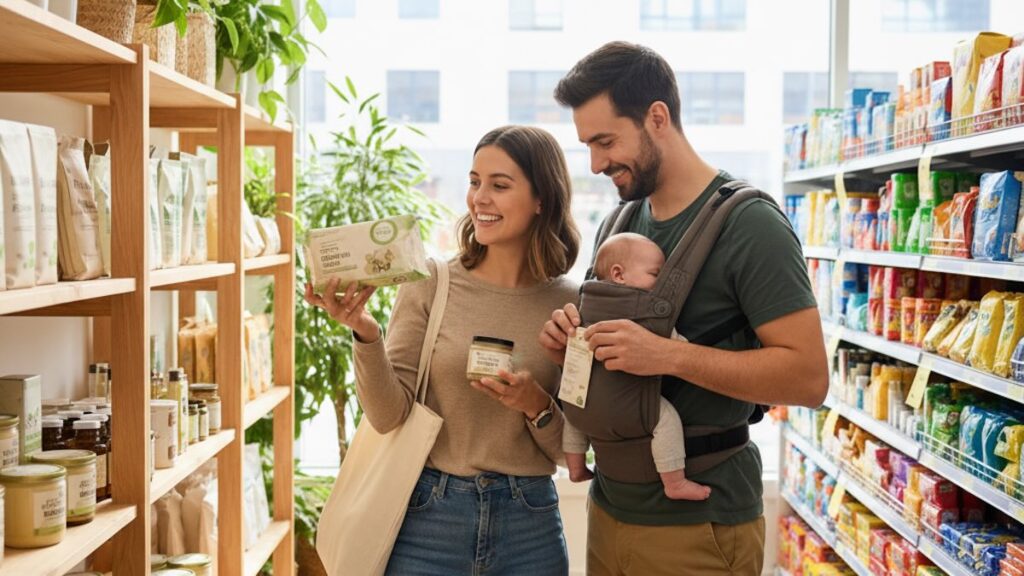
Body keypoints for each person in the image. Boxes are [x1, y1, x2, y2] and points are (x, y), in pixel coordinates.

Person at [540, 41, 829, 576]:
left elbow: (809, 379)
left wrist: (669, 356)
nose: (596, 164)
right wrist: (572, 344)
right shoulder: (619, 225)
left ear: (657, 117)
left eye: (605, 141)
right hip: (609, 510)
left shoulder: (751, 226)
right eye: (588, 146)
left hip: (702, 527)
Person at [305, 124, 581, 575]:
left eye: (499, 185)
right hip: (428, 519)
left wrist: (535, 404)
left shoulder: (571, 304)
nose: (479, 199)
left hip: (529, 525)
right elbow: (388, 417)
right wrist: (366, 333)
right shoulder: (433, 282)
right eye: (474, 182)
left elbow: (569, 454)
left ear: (541, 200)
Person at [562, 232, 710, 501]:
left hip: (583, 401)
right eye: (655, 274)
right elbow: (673, 344)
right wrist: (685, 348)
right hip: (627, 405)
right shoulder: (644, 309)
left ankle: (575, 467)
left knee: (573, 413)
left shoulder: (584, 301)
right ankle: (675, 482)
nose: (660, 284)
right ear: (619, 275)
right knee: (666, 420)